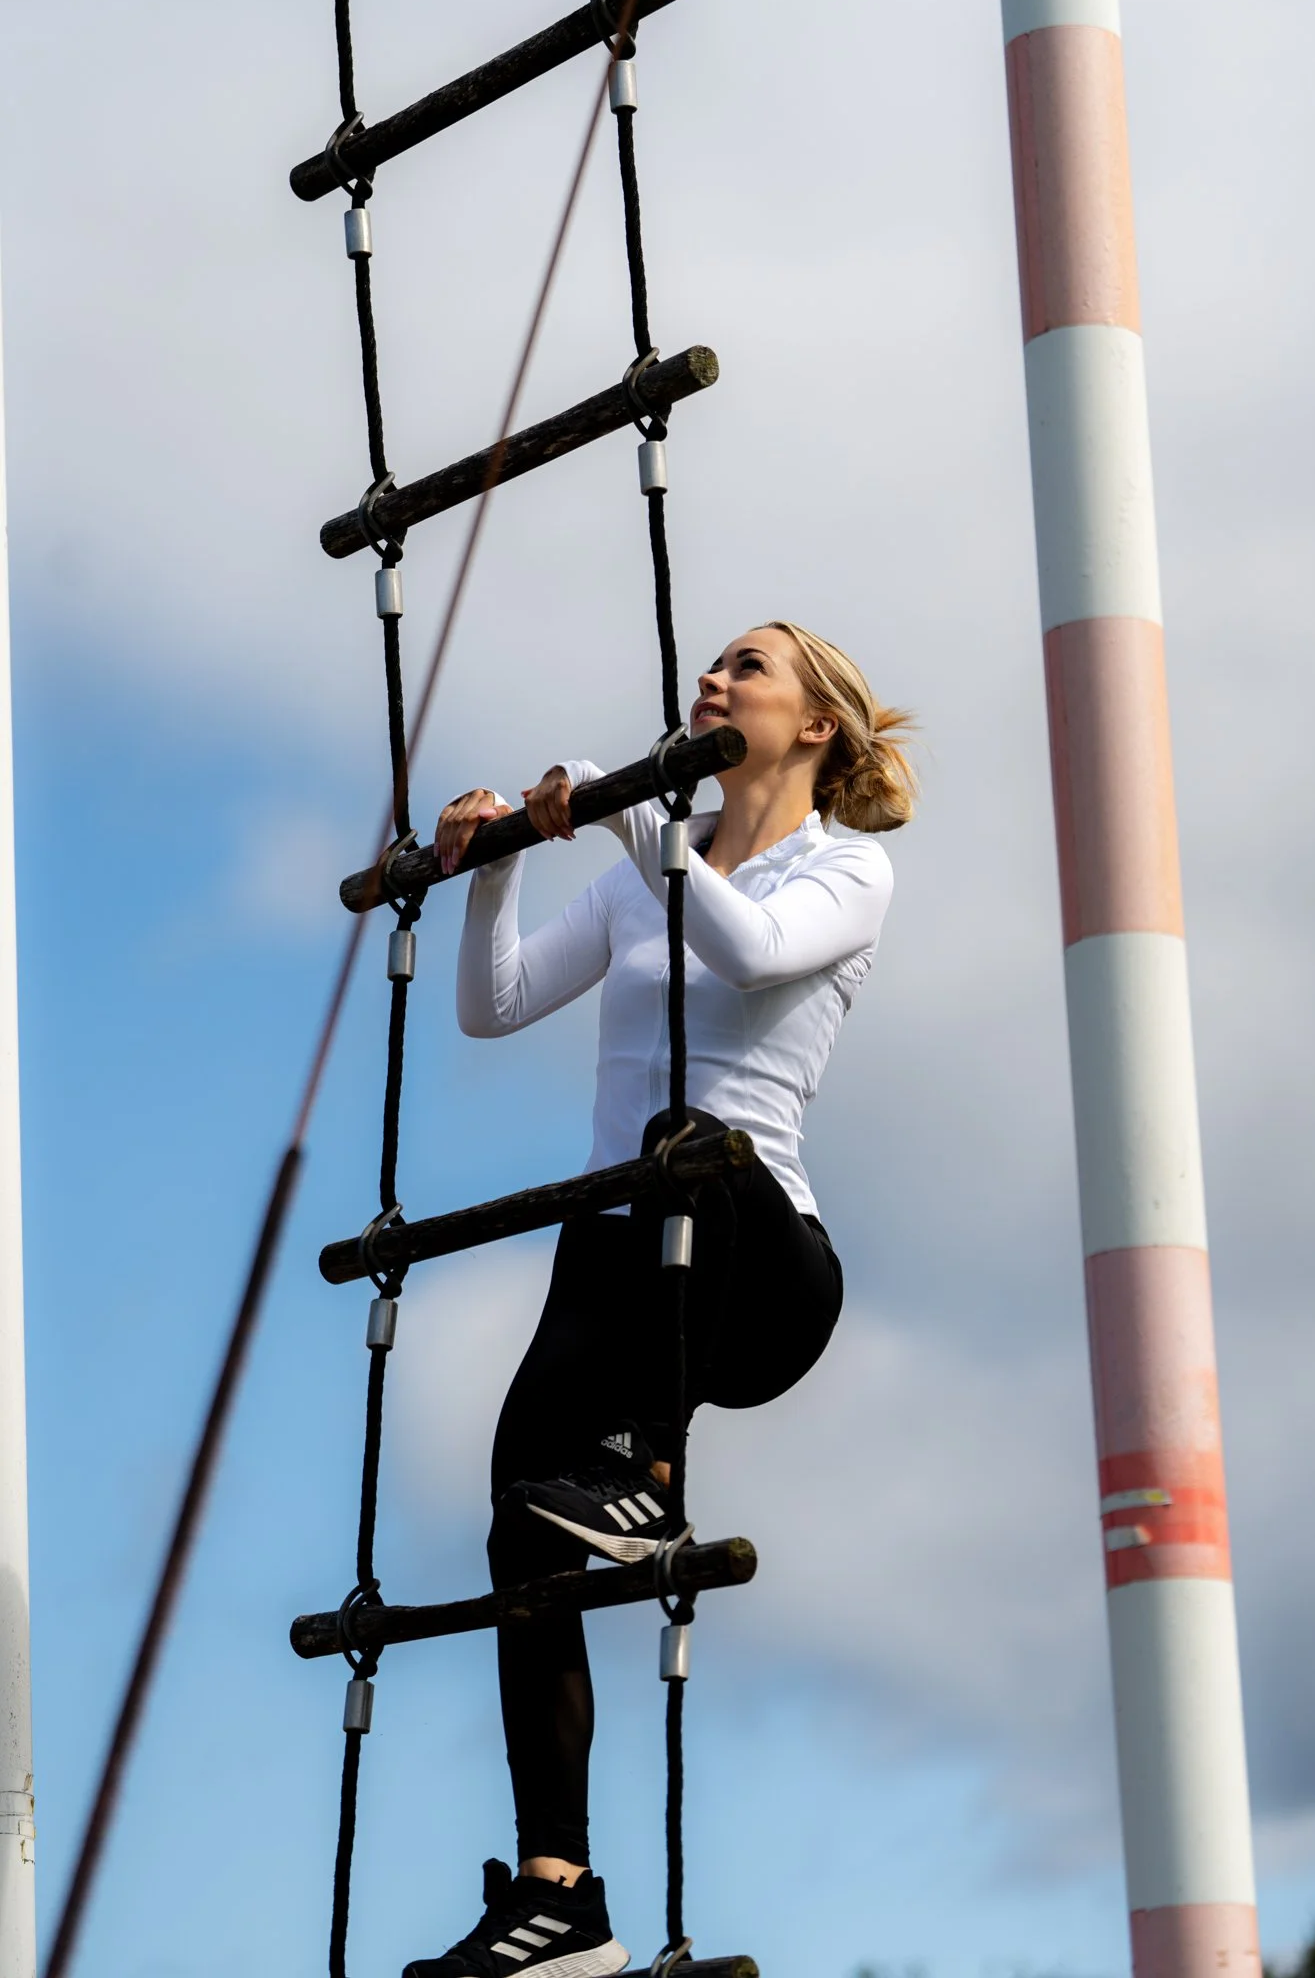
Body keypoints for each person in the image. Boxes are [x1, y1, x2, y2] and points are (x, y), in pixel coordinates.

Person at [402, 623, 916, 1978]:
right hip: (620, 1259)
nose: (712, 681)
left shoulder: (846, 869)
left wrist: (626, 815)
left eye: (747, 668)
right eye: (711, 666)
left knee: (688, 1137)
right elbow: (496, 1005)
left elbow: (747, 954)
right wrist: (500, 864)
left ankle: (651, 1470)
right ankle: (559, 1896)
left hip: (758, 1270)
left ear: (816, 725)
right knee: (522, 1524)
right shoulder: (653, 861)